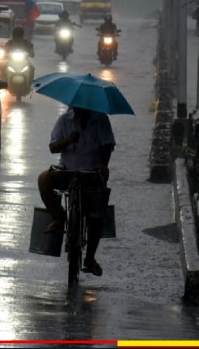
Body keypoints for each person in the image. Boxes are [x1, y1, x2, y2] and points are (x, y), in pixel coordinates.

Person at [37, 107, 116, 277]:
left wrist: (103, 165)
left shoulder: (101, 120)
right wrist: (68, 140)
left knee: (96, 214)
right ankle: (59, 217)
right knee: (44, 178)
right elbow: (53, 147)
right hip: (67, 171)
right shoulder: (64, 120)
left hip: (91, 173)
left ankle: (90, 257)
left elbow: (108, 146)